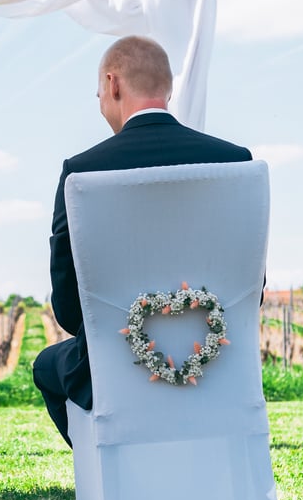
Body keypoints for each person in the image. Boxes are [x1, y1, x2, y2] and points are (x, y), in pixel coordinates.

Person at [32, 35, 253, 446]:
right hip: (218, 357)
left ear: (113, 84)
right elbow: (250, 285)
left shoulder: (82, 171)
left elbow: (67, 303)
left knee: (47, 366)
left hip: (114, 367)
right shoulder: (234, 160)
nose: (100, 102)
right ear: (166, 86)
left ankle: (107, 456)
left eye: (98, 93)